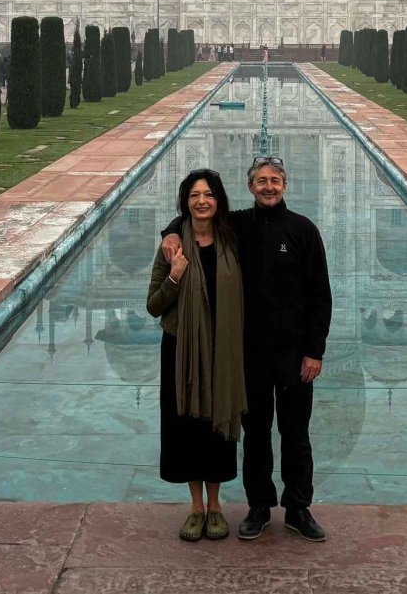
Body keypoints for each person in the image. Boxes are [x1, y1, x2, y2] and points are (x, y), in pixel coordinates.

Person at [161, 155, 332, 542]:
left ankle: (298, 507)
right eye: (261, 181)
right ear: (250, 187)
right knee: (254, 435)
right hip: (249, 354)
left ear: (284, 186)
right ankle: (259, 507)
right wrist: (170, 231)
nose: (268, 187)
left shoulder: (304, 230)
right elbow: (196, 218)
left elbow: (321, 296)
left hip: (294, 354)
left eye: (274, 180)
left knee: (296, 434)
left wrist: (315, 351)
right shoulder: (237, 227)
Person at [146, 169, 247, 543]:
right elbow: (153, 305)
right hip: (181, 348)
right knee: (185, 424)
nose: (201, 201)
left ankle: (216, 505)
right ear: (184, 202)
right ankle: (195, 507)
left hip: (223, 347)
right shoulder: (171, 248)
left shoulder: (234, 237)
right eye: (194, 195)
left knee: (216, 424)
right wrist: (173, 275)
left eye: (208, 194)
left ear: (219, 200)